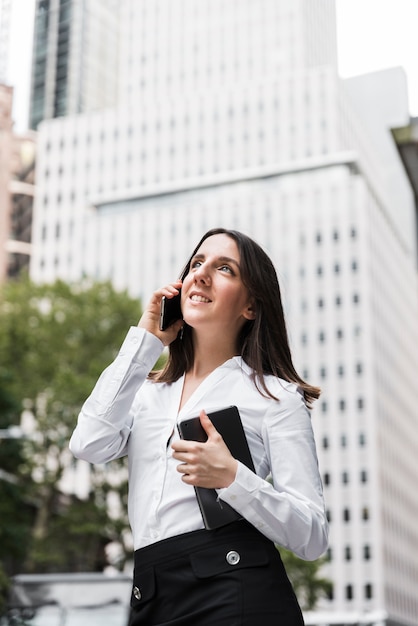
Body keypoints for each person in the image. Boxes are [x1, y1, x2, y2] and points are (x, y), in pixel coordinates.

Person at [69, 227, 328, 625]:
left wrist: (232, 477)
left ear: (252, 307)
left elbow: (312, 536)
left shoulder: (276, 397)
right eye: (196, 263)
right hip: (151, 591)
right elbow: (89, 443)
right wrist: (144, 343)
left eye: (225, 268)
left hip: (236, 588)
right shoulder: (146, 393)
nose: (201, 274)